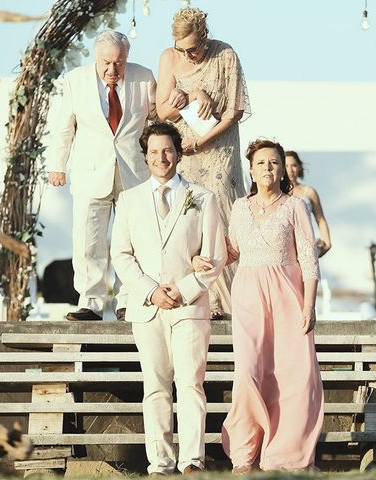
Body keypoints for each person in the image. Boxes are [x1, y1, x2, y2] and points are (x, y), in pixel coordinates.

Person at [111, 122, 227, 475]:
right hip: (147, 309)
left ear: (177, 153)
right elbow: (121, 255)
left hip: (190, 307)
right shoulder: (128, 200)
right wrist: (150, 289)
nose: (162, 158)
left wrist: (185, 287)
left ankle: (192, 459)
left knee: (191, 383)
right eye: (154, 152)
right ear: (145, 157)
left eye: (167, 150)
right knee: (155, 386)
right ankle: (160, 462)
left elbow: (215, 257)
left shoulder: (203, 197)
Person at [219, 139, 324, 472]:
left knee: (290, 377)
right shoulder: (239, 207)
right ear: (250, 169)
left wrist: (309, 306)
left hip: (288, 298)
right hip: (248, 295)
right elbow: (231, 250)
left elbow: (309, 259)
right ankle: (244, 451)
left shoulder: (295, 207)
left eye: (274, 162)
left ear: (283, 170)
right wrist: (202, 256)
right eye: (261, 162)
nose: (267, 167)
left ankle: (284, 454)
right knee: (248, 372)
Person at [47, 30, 156, 321]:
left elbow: (158, 122)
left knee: (131, 241)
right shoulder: (75, 80)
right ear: (96, 58)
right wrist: (58, 165)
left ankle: (128, 301)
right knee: (88, 241)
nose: (112, 69)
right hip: (90, 172)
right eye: (106, 62)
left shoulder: (144, 78)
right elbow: (64, 126)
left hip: (134, 172)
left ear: (126, 58)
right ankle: (90, 302)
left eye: (118, 63)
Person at [156, 7, 249, 319]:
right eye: (182, 48)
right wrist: (190, 94)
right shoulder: (169, 58)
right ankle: (196, 298)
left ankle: (233, 303)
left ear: (205, 37)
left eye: (193, 48)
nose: (188, 55)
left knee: (222, 218)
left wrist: (204, 141)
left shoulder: (226, 56)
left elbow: (234, 110)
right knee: (190, 220)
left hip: (219, 148)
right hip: (185, 152)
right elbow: (163, 113)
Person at [285, 150, 332, 257]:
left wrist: (327, 242)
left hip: (306, 247)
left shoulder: (309, 192)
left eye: (294, 165)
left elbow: (320, 219)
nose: (290, 170)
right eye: (286, 166)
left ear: (299, 167)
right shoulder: (277, 193)